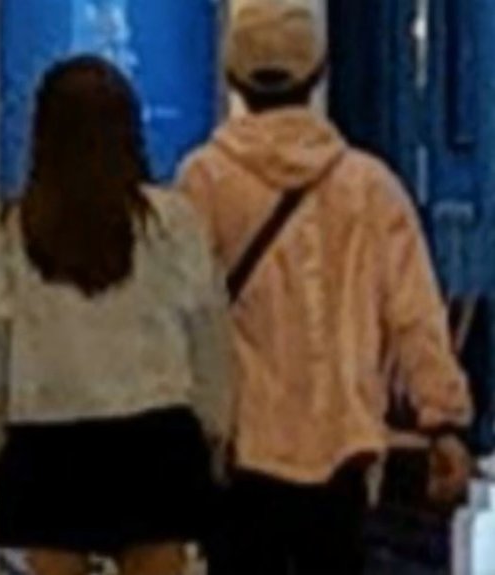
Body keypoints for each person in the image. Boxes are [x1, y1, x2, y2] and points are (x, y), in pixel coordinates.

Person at [178, 2, 473, 574]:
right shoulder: (370, 186)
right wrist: (443, 421)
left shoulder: (202, 182)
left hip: (241, 451)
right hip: (341, 450)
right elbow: (415, 318)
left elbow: (182, 318)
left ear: (233, 75)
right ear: (316, 74)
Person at [0, 56, 233, 575]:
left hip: (47, 445)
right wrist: (215, 428)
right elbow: (207, 336)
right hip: (156, 437)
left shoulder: (8, 231)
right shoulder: (172, 222)